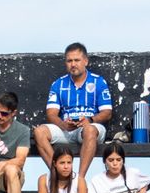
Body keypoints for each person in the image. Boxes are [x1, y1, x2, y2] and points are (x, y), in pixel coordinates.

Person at [32, 42, 112, 183]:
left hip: (89, 127)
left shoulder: (98, 82)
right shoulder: (58, 84)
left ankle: (79, 180)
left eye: (77, 60)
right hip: (66, 128)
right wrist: (63, 124)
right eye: (69, 61)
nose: (73, 64)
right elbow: (51, 113)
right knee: (39, 132)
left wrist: (90, 120)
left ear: (85, 61)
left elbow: (107, 112)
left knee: (90, 131)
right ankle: (58, 174)